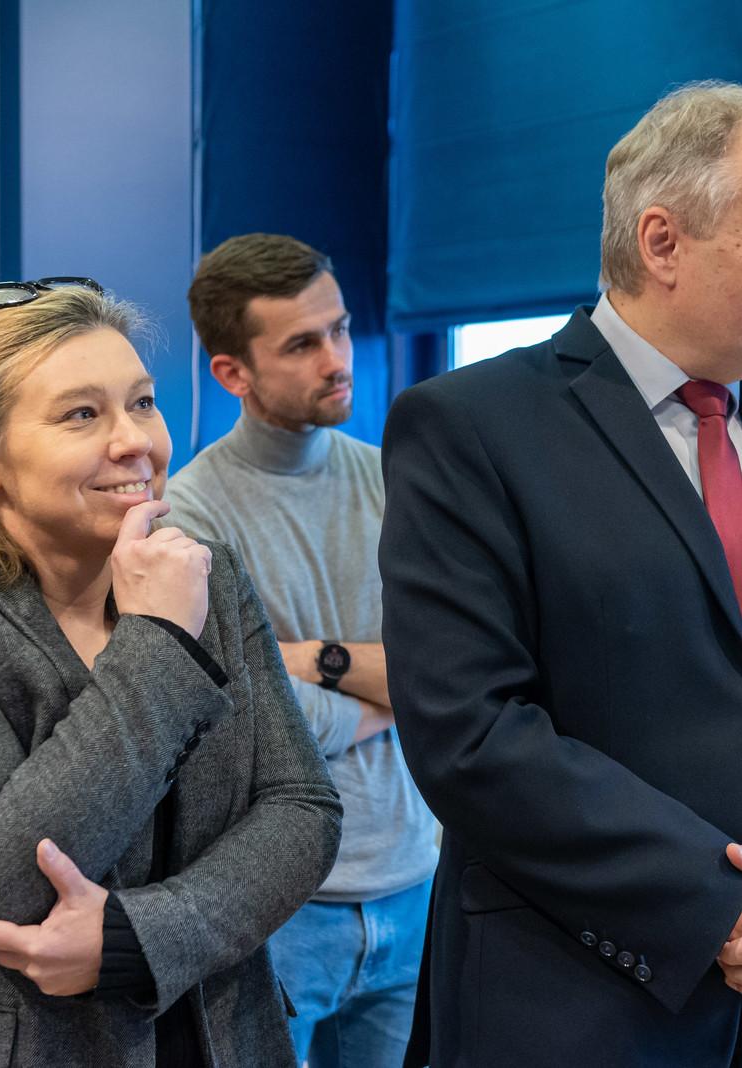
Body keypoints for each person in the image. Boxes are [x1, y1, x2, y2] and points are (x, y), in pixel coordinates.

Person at [377, 81, 742, 1067]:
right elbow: (472, 733)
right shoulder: (470, 428)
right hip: (575, 1013)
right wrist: (722, 901)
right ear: (663, 242)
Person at [0, 281, 342, 1068]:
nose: (135, 441)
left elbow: (302, 807)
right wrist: (160, 639)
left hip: (212, 1037)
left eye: (143, 403)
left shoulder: (206, 572)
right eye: (82, 414)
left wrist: (139, 938)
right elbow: (2, 881)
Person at [165, 234, 437, 1068]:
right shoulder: (192, 515)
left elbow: (451, 669)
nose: (337, 358)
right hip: (281, 904)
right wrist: (394, 696)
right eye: (302, 344)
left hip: (415, 884)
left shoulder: (398, 478)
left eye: (341, 329)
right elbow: (241, 719)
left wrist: (308, 658)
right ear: (232, 373)